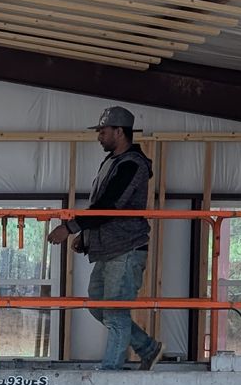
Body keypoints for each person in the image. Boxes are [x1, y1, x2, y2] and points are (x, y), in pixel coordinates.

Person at [48, 106, 163, 370]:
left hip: (125, 248)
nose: (99, 136)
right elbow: (101, 206)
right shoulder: (114, 162)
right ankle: (148, 348)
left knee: (115, 312)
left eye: (103, 131)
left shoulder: (132, 165)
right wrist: (87, 237)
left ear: (119, 132)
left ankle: (110, 373)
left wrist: (70, 228)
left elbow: (111, 205)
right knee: (98, 304)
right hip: (109, 248)